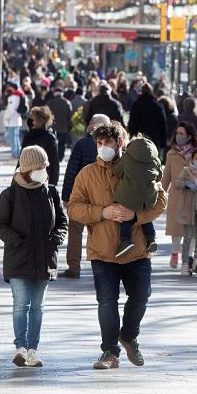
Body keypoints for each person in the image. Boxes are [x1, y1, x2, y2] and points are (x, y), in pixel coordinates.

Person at [67, 122, 166, 370]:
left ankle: (129, 335)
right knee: (107, 302)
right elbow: (74, 208)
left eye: (107, 143)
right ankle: (109, 352)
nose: (103, 148)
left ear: (119, 142)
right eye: (99, 144)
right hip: (103, 251)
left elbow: (161, 200)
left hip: (137, 249)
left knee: (142, 296)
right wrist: (102, 212)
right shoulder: (87, 173)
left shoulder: (138, 166)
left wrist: (136, 216)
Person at [0, 145, 67, 368]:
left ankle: (33, 349)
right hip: (18, 259)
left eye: (46, 166)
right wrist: (17, 241)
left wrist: (56, 239)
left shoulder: (51, 192)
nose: (45, 170)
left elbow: (63, 222)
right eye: (40, 167)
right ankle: (21, 347)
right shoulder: (10, 194)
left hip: (45, 258)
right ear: (28, 169)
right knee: (21, 303)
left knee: (37, 306)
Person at [60, 114, 110, 279]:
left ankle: (74, 267)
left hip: (81, 195)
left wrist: (66, 196)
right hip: (102, 197)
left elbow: (72, 170)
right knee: (102, 233)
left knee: (75, 231)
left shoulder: (82, 144)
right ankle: (105, 267)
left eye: (90, 122)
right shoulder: (111, 147)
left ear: (94, 126)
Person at [162, 122, 197, 269]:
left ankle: (189, 256)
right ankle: (175, 252)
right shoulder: (171, 154)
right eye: (177, 133)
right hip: (176, 194)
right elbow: (166, 176)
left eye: (182, 134)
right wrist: (160, 193)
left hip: (193, 195)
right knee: (176, 227)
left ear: (189, 136)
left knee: (192, 228)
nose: (179, 136)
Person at [112, 136, 162, 257]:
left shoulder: (126, 158)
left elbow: (116, 171)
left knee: (125, 217)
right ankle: (151, 238)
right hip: (148, 196)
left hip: (128, 194)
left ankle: (125, 241)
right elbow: (159, 176)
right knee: (144, 216)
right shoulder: (155, 160)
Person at [22, 106, 60, 186]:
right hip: (27, 179)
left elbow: (54, 163)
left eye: (32, 118)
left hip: (43, 179)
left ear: (39, 120)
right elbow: (21, 160)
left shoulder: (49, 137)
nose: (30, 120)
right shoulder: (28, 136)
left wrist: (52, 185)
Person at [127, 84, 167, 152]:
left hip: (138, 138)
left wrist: (132, 135)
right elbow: (163, 125)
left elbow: (132, 123)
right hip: (154, 139)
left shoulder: (136, 105)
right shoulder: (157, 106)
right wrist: (163, 144)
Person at [45, 87, 73, 162]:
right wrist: (70, 125)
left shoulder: (50, 103)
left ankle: (53, 156)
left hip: (52, 126)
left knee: (53, 142)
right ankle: (60, 157)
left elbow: (46, 115)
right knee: (62, 143)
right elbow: (70, 115)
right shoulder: (67, 102)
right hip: (63, 126)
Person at [4, 89, 25, 159]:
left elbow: (11, 110)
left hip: (12, 121)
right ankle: (18, 154)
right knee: (17, 139)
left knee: (13, 139)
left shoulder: (12, 98)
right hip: (18, 119)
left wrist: (7, 117)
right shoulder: (19, 97)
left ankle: (14, 154)